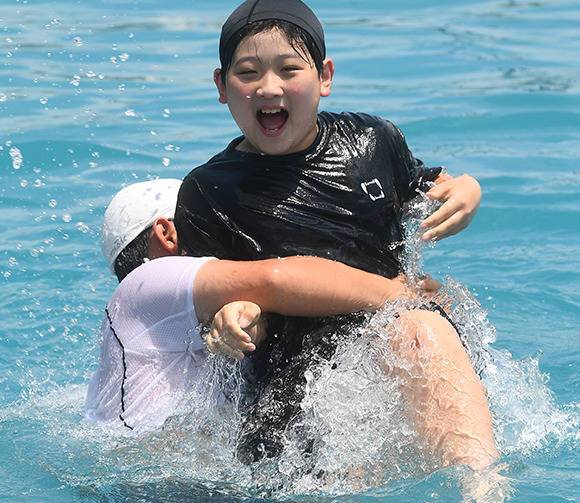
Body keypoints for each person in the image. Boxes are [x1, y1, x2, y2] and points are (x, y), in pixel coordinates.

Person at [173, 0, 484, 461]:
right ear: (222, 85)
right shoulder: (209, 191)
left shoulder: (372, 142)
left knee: (423, 328)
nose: (269, 87)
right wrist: (233, 319)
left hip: (397, 343)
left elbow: (436, 186)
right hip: (292, 395)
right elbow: (212, 309)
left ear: (324, 77)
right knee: (419, 326)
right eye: (248, 72)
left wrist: (468, 190)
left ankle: (482, 491)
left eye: (289, 69)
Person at [85, 179, 437, 431]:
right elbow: (276, 279)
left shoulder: (161, 321)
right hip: (157, 490)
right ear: (167, 233)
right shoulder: (147, 281)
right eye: (203, 225)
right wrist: (398, 292)